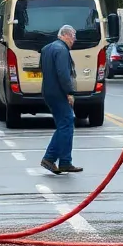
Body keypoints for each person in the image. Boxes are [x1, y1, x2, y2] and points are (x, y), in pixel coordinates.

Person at [39, 25, 82, 174]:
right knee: (66, 123)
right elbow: (63, 74)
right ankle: (51, 158)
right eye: (73, 36)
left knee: (64, 123)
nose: (74, 40)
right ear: (65, 35)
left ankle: (64, 161)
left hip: (48, 91)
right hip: (59, 92)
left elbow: (42, 68)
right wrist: (69, 92)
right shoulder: (62, 50)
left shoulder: (47, 49)